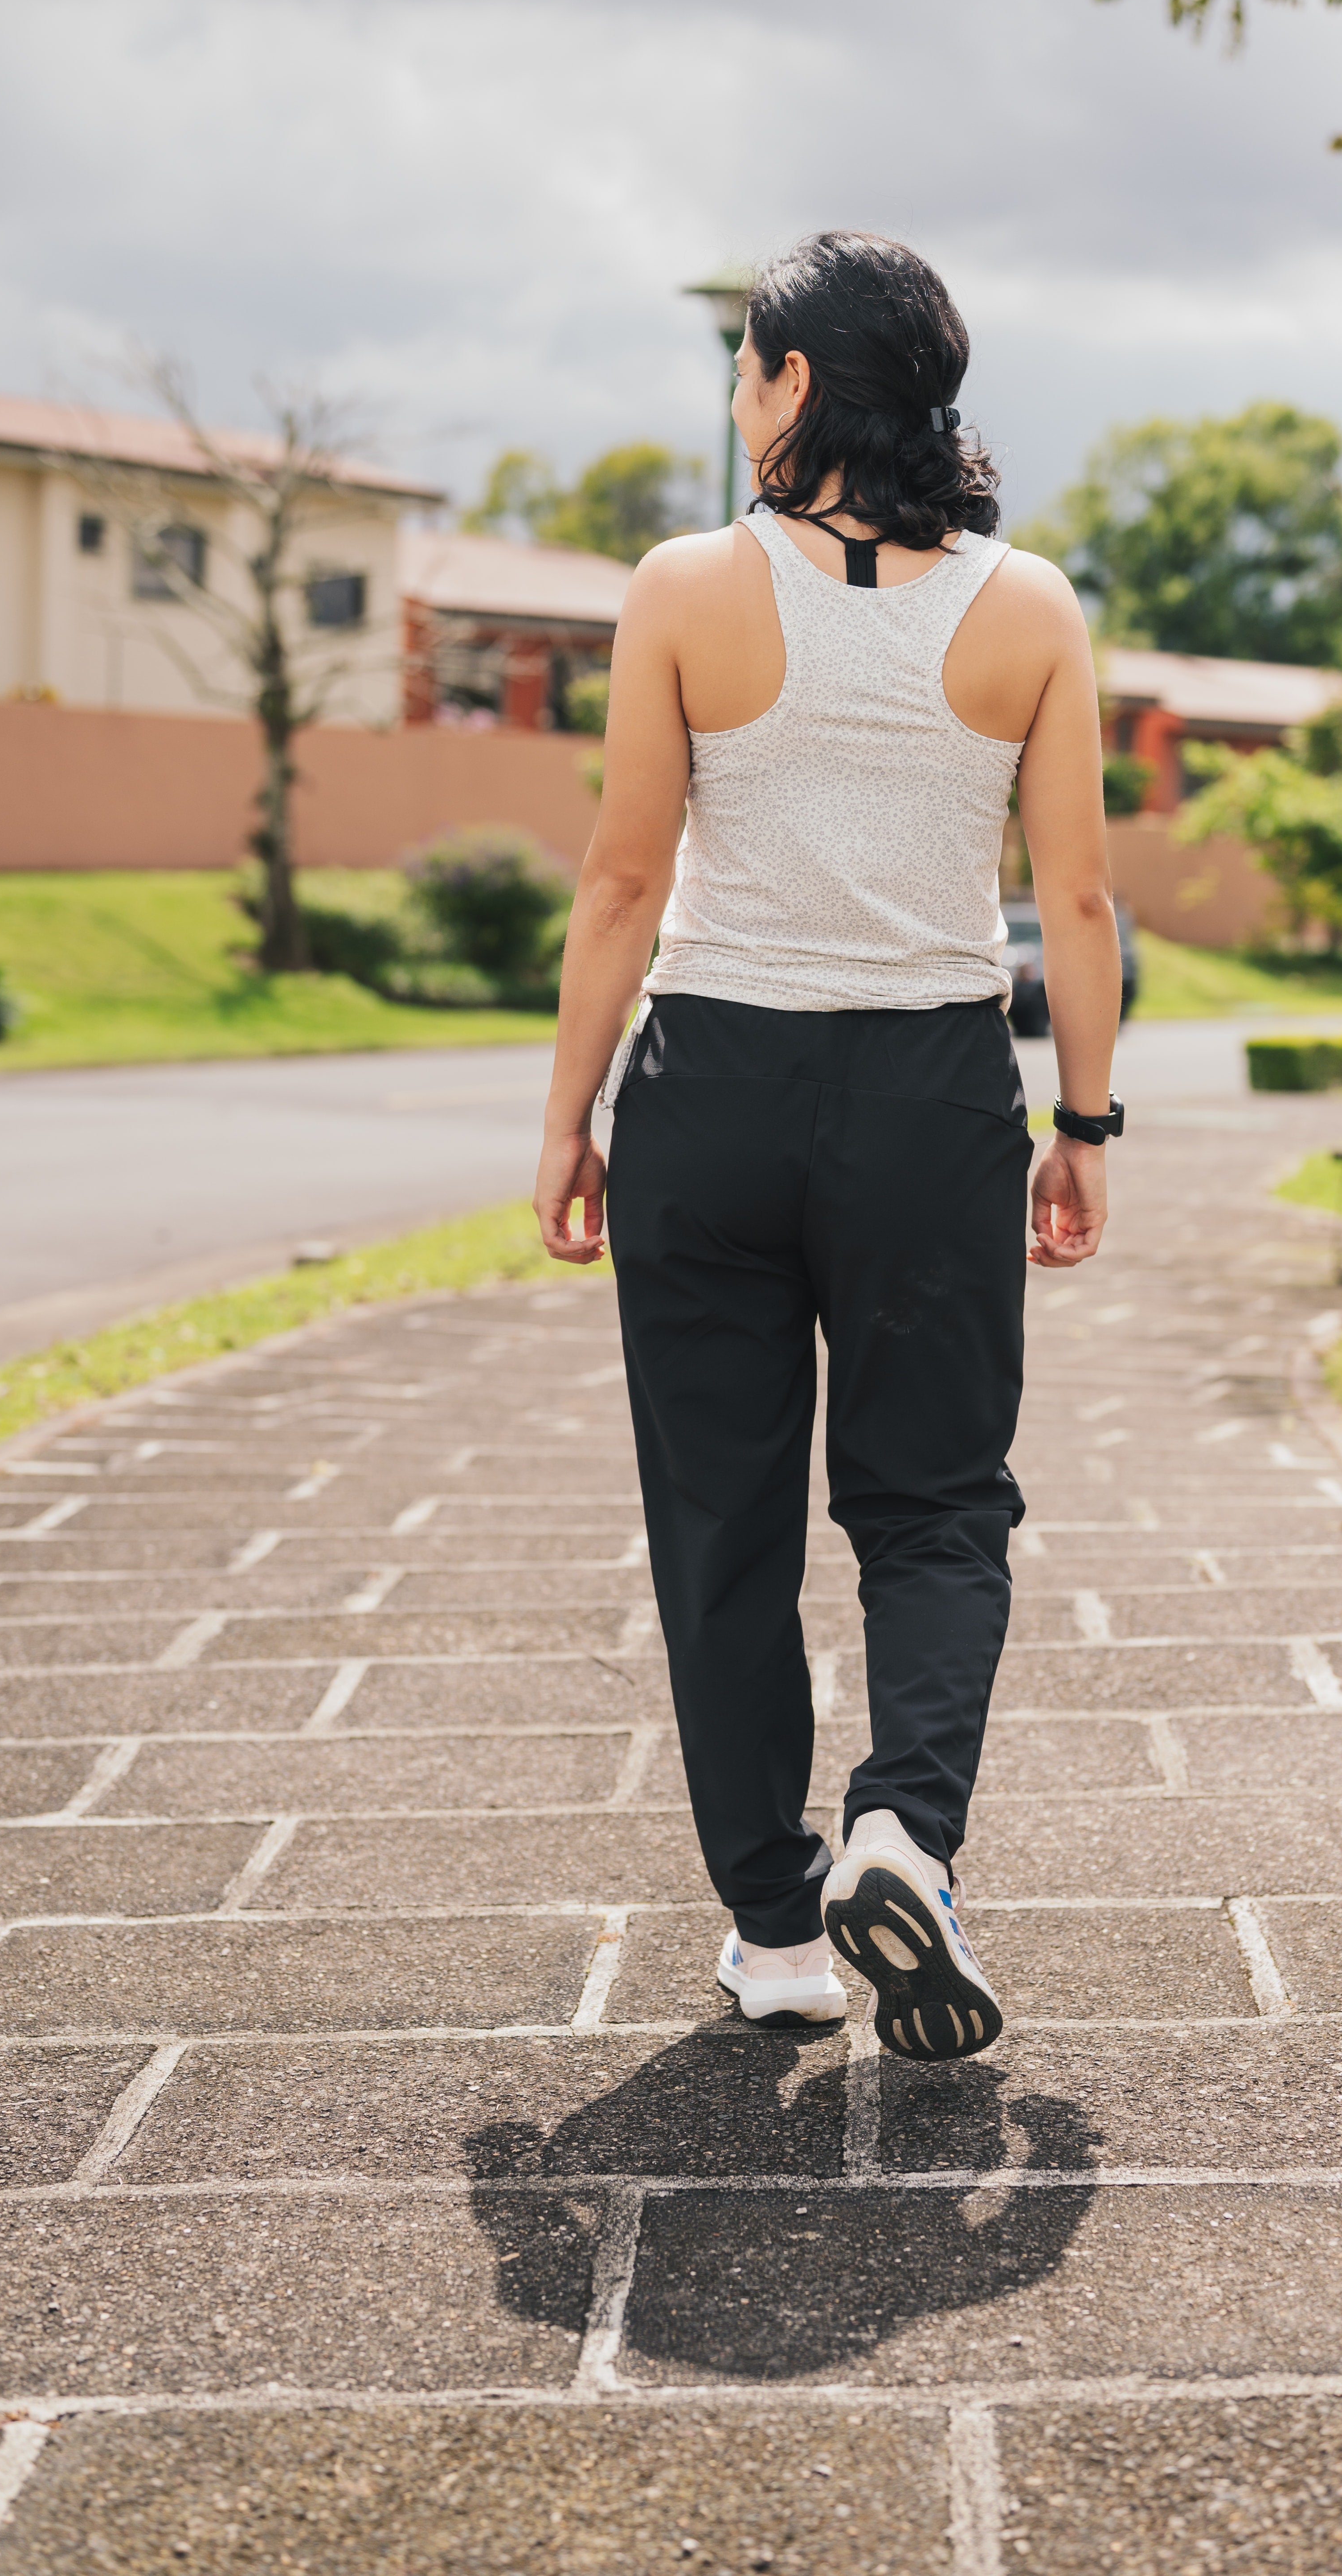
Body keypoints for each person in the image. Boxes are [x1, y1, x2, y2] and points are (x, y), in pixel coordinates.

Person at [533, 231, 1121, 2062]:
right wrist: (1085, 1121)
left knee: (723, 1518)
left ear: (792, 385)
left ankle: (781, 1934)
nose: (734, 400)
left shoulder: (685, 589)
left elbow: (626, 877)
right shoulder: (1027, 609)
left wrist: (570, 1112)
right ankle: (906, 1833)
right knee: (935, 1506)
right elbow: (1081, 901)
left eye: (744, 371)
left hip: (709, 1095)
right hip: (933, 1100)